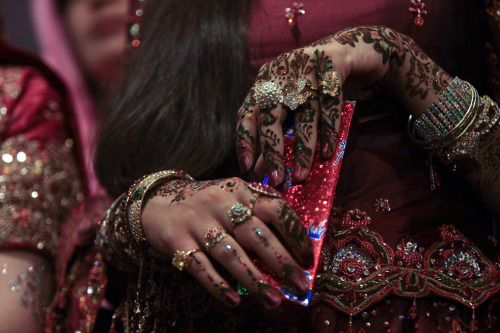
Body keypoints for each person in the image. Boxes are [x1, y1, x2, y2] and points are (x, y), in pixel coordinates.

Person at [48, 0, 500, 332]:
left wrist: (394, 57)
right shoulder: (166, 13)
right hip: (217, 310)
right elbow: (110, 211)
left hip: (430, 313)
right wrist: (154, 207)